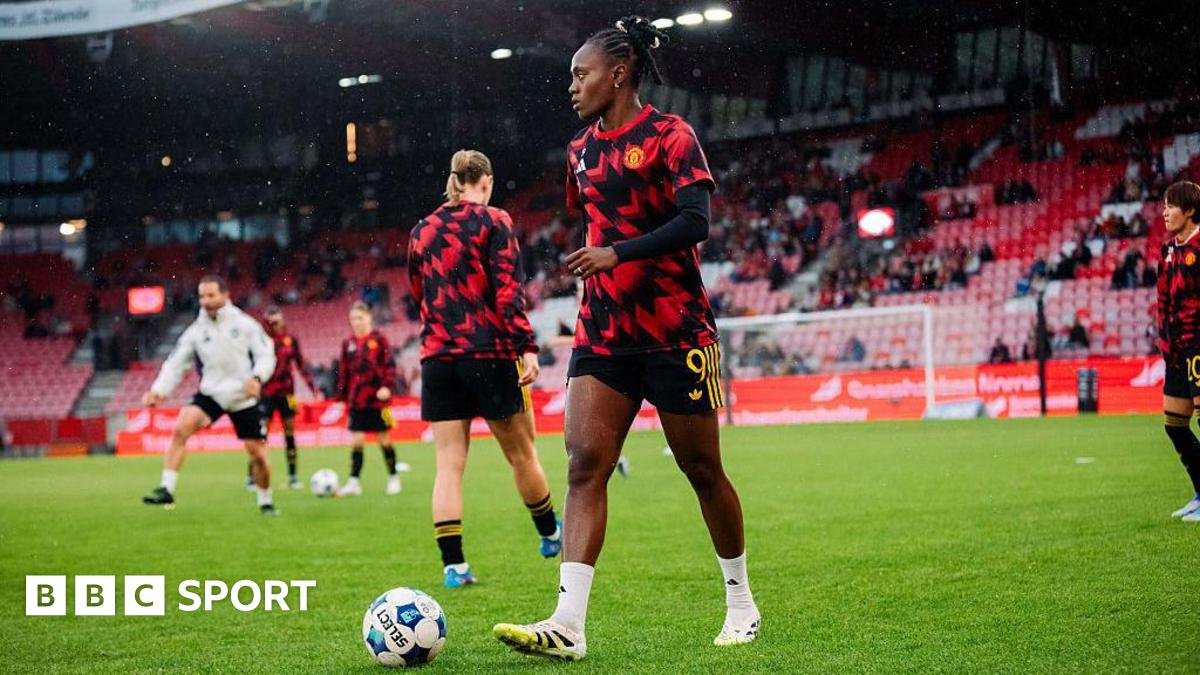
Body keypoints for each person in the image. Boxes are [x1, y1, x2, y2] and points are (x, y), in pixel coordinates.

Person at [494, 16, 759, 662]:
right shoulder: (580, 150)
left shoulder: (672, 135)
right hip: (604, 332)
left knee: (702, 469)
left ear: (618, 75)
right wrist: (600, 260)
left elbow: (695, 222)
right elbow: (590, 219)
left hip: (676, 328)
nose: (571, 86)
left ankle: (741, 603)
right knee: (584, 464)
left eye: (580, 74)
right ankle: (568, 623)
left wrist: (617, 253)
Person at [408, 149, 563, 589]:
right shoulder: (494, 221)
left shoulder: (421, 230)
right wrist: (526, 346)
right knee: (522, 453)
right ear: (487, 181)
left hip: (439, 357)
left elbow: (418, 292)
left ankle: (454, 566)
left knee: (448, 465)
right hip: (487, 351)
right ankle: (550, 534)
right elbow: (507, 291)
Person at [141, 275, 279, 515]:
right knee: (181, 428)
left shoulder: (245, 324)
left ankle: (265, 501)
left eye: (211, 295)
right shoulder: (195, 331)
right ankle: (166, 488)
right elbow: (175, 363)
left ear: (225, 295)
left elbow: (266, 354)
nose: (205, 300)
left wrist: (257, 378)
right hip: (212, 393)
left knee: (257, 455)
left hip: (242, 395)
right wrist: (158, 390)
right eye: (202, 296)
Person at [1157, 181, 1200, 523]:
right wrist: (1165, 341)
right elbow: (1162, 299)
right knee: (1174, 424)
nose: (1165, 212)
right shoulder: (1168, 250)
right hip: (1176, 348)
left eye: (1171, 206)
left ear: (1190, 210)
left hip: (1198, 344)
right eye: (1164, 206)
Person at [246, 305, 320, 491]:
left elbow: (301, 365)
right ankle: (252, 476)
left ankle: (293, 476)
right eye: (271, 321)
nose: (275, 324)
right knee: (260, 434)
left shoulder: (290, 340)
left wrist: (313, 388)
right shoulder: (261, 341)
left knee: (289, 433)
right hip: (265, 394)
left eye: (277, 320)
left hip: (287, 393)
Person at [335, 301, 403, 496]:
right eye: (353, 319)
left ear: (369, 317)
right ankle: (354, 482)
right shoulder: (348, 343)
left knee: (384, 439)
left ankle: (393, 477)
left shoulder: (379, 339)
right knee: (356, 441)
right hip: (356, 399)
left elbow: (390, 365)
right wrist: (341, 398)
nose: (356, 322)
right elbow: (344, 372)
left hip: (377, 399)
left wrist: (387, 387)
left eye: (360, 318)